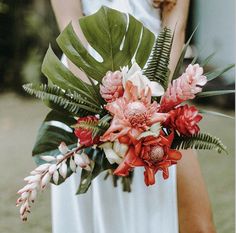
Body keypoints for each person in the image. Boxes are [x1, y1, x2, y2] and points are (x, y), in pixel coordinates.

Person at [50, 1, 216, 233]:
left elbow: (174, 26)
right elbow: (72, 29)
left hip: (156, 79)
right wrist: (99, 118)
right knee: (104, 219)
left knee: (199, 225)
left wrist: (155, 107)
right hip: (86, 83)